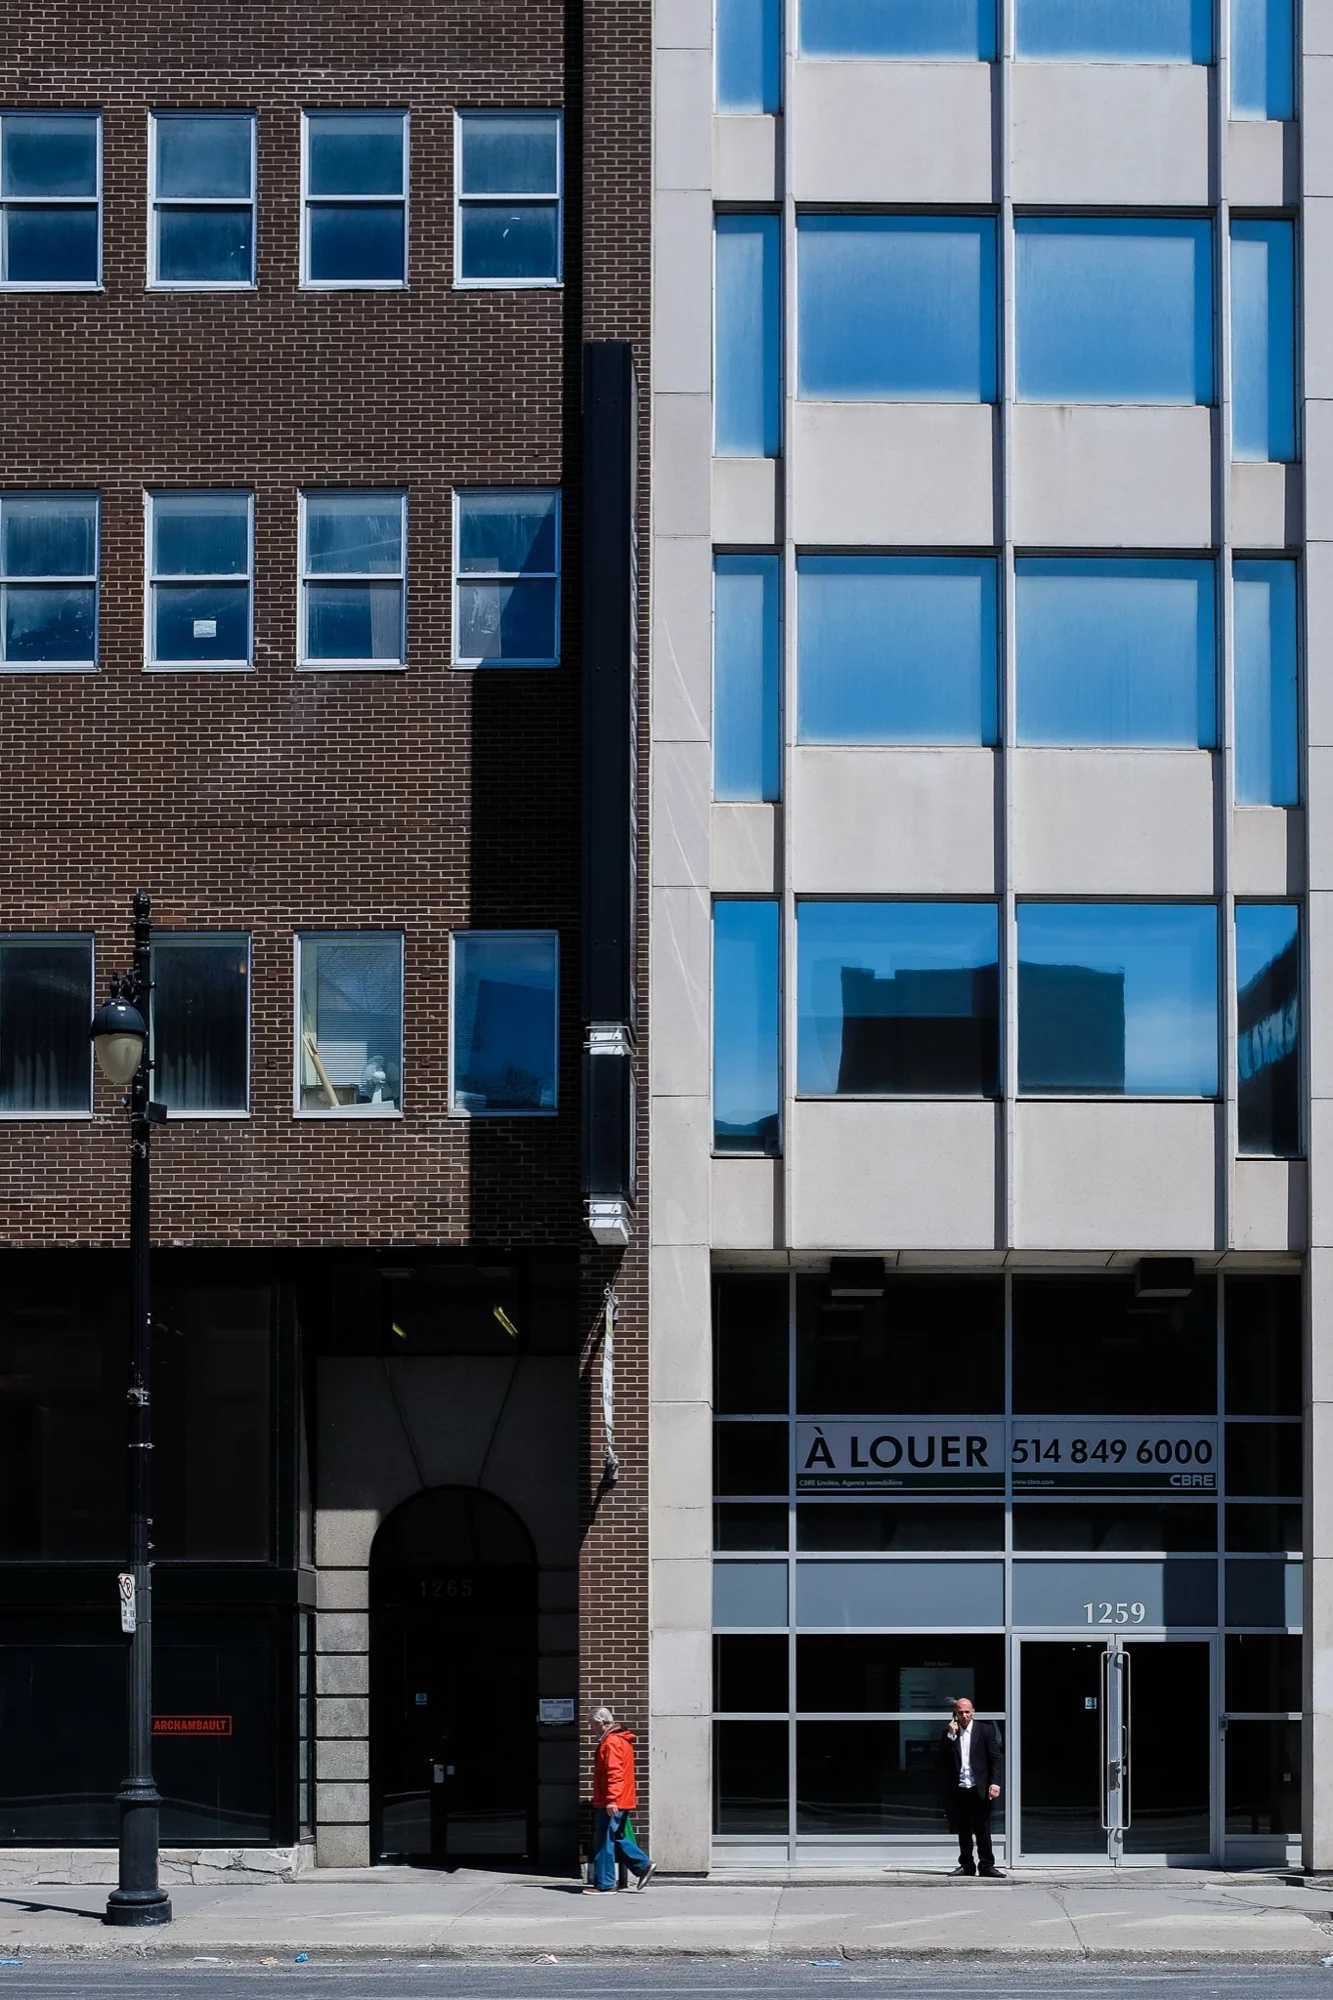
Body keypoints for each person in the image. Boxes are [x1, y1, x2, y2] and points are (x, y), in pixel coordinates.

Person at [586, 1705, 656, 1893]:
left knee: (603, 1840)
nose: (591, 1728)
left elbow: (614, 1773)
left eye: (592, 1724)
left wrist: (612, 1799)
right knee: (615, 1837)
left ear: (602, 1723)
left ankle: (606, 1884)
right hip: (621, 1799)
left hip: (612, 1800)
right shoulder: (621, 1740)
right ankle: (642, 1865)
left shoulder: (611, 1743)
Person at [939, 1695, 1005, 1878]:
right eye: (960, 1712)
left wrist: (995, 1783)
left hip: (979, 1787)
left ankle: (987, 1865)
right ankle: (967, 1865)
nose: (964, 1715)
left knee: (982, 1828)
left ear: (973, 1712)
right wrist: (951, 1735)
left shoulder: (985, 1731)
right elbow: (942, 1759)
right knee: (963, 1830)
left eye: (967, 1712)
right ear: (955, 1714)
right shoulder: (950, 1733)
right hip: (959, 1789)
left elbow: (995, 1759)